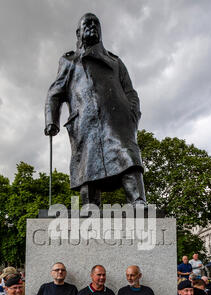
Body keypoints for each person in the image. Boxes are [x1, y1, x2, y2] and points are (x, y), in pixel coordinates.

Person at [45, 13, 146, 207]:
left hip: (118, 122)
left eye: (95, 23)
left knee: (128, 155)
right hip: (85, 123)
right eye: (87, 23)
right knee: (88, 165)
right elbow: (54, 93)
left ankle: (138, 200)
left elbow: (130, 91)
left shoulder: (116, 62)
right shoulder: (69, 61)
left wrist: (132, 113)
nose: (92, 26)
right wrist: (52, 120)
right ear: (78, 32)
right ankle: (89, 207)